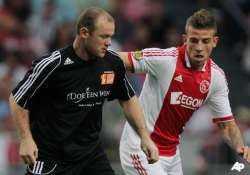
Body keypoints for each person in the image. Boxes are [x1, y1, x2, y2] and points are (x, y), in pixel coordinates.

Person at [9, 7, 159, 175]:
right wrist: (25, 139)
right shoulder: (53, 65)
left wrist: (145, 137)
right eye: (104, 36)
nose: (109, 42)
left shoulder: (111, 63)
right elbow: (17, 99)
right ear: (84, 32)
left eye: (111, 36)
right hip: (51, 159)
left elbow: (128, 98)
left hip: (91, 156)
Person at [118, 9, 250, 175]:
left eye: (205, 41)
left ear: (215, 41)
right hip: (140, 147)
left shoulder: (216, 78)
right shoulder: (165, 60)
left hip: (172, 154)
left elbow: (227, 125)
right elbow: (118, 59)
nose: (199, 47)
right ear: (185, 39)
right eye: (194, 40)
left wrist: (241, 148)